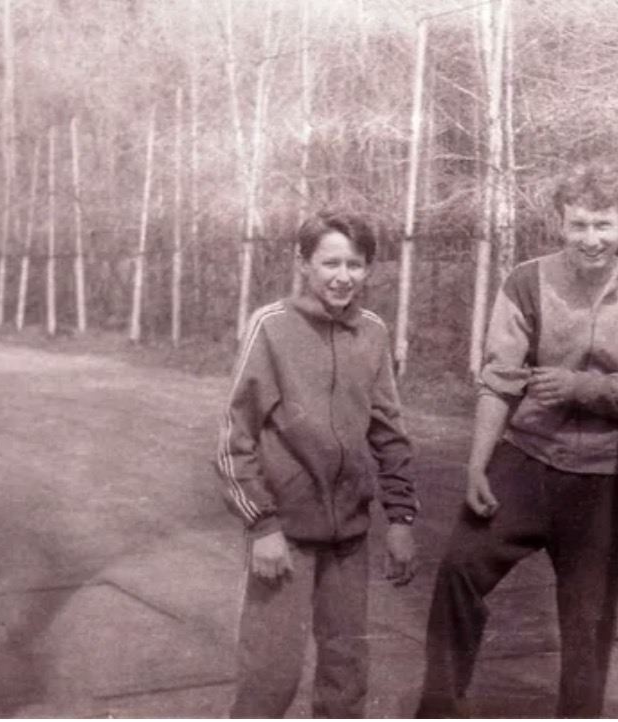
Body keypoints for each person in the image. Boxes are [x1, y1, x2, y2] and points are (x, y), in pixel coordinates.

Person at [415, 163, 618, 718]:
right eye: (578, 225)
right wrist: (477, 465)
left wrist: (584, 387)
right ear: (559, 223)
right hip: (526, 459)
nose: (591, 239)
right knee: (459, 569)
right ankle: (440, 709)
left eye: (603, 224)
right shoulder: (526, 281)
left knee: (588, 624)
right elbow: (500, 379)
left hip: (603, 475)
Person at [214, 210, 420, 718]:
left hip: (349, 540)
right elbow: (234, 438)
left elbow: (389, 433)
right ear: (303, 262)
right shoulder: (271, 327)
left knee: (346, 674)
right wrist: (262, 525)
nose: (343, 276)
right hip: (283, 538)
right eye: (330, 262)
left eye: (355, 264)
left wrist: (400, 518)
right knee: (270, 677)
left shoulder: (373, 332)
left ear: (368, 268)